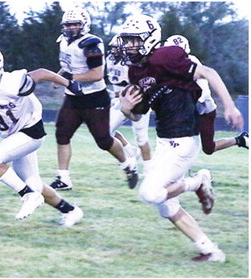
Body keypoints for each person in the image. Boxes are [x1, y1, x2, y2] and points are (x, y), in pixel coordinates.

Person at [118, 14, 245, 262]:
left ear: (149, 39)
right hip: (165, 142)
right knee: (166, 205)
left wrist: (229, 106)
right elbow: (139, 113)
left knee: (151, 193)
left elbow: (209, 72)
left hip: (184, 140)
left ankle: (198, 181)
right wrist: (126, 109)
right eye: (127, 41)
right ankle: (210, 250)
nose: (128, 46)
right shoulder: (136, 70)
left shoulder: (167, 55)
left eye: (133, 40)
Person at [0, 44, 84, 226]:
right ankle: (71, 210)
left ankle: (28, 196)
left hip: (31, 131)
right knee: (35, 184)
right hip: (14, 138)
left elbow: (40, 73)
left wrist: (69, 83)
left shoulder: (11, 81)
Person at [50, 8, 138, 191]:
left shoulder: (91, 44)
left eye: (75, 24)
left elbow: (96, 74)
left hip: (95, 99)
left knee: (103, 140)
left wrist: (65, 80)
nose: (71, 28)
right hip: (73, 97)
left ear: (84, 25)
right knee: (62, 134)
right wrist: (58, 76)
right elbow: (68, 65)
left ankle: (128, 164)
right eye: (68, 24)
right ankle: (63, 178)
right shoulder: (64, 42)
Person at [164, 34, 248, 153]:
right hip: (184, 109)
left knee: (208, 148)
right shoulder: (163, 65)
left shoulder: (192, 63)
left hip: (203, 110)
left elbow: (203, 94)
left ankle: (240, 140)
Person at [106, 33, 152, 176]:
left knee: (141, 137)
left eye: (116, 48)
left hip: (136, 99)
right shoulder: (109, 59)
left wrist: (116, 95)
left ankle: (149, 169)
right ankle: (130, 152)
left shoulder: (134, 62)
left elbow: (136, 86)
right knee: (105, 131)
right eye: (113, 48)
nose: (114, 51)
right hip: (118, 100)